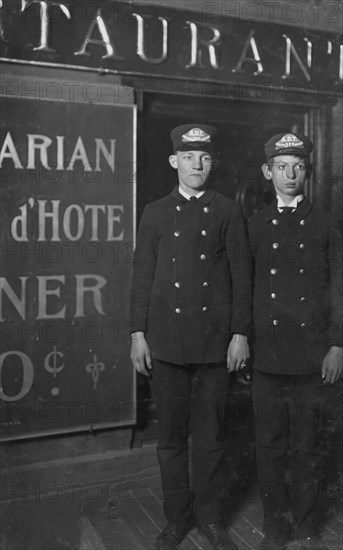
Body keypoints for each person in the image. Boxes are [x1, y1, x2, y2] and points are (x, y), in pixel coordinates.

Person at [130, 123, 252, 550]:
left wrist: (240, 333)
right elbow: (142, 275)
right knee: (170, 439)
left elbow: (242, 277)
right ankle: (176, 519)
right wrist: (136, 334)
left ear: (211, 162)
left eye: (203, 157)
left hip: (215, 345)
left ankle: (211, 518)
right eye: (187, 156)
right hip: (166, 344)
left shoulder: (227, 210)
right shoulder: (155, 212)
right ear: (173, 161)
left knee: (212, 438)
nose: (196, 164)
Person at [248, 132, 343, 550]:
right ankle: (274, 527)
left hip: (311, 355)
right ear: (268, 172)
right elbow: (244, 289)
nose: (291, 174)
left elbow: (339, 288)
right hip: (267, 356)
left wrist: (337, 345)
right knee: (269, 448)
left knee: (306, 448)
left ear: (307, 172)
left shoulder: (324, 225)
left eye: (299, 166)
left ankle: (305, 526)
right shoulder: (253, 225)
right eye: (282, 166)